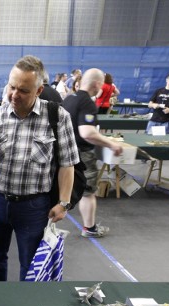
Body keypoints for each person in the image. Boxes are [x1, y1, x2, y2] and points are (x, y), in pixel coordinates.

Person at [0, 55, 79, 281]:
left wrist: (63, 203)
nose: (14, 95)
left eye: (23, 90)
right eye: (11, 86)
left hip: (34, 207)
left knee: (31, 265)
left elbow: (67, 164)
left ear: (38, 91)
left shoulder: (58, 117)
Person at [62, 68, 124, 238]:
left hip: (64, 151)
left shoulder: (69, 98)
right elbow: (87, 133)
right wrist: (111, 144)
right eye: (102, 85)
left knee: (60, 191)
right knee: (88, 192)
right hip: (81, 154)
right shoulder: (87, 102)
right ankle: (89, 228)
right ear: (97, 84)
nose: (102, 89)